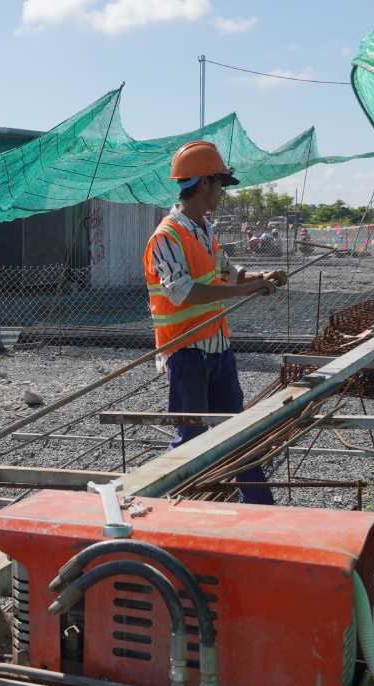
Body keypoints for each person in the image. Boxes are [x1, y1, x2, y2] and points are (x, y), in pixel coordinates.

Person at [142, 140, 287, 505]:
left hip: (217, 349)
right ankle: (163, 508)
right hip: (186, 352)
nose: (222, 192)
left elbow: (227, 271)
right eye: (220, 184)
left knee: (237, 433)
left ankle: (261, 510)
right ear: (204, 183)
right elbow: (183, 292)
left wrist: (260, 277)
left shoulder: (203, 230)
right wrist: (244, 290)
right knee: (190, 440)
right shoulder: (166, 236)